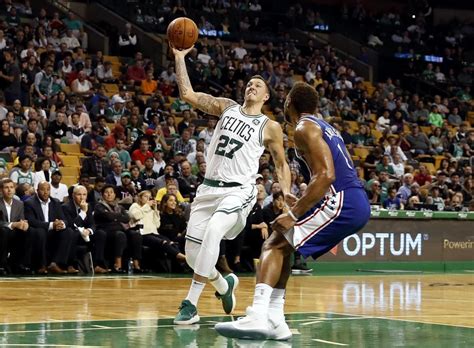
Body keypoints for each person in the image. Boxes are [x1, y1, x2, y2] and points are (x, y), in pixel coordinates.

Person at [215, 82, 370, 340]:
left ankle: (257, 316)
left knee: (273, 244)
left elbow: (327, 175)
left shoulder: (304, 127)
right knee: (284, 244)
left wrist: (294, 213)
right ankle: (276, 319)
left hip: (342, 201)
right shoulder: (327, 127)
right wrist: (301, 199)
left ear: (289, 104)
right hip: (352, 200)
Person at [170, 45, 290, 325]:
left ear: (266, 95)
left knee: (214, 231)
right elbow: (188, 95)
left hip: (238, 191)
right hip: (207, 190)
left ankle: (190, 305)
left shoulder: (269, 126)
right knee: (192, 257)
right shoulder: (227, 107)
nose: (252, 86)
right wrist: (178, 57)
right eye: (249, 83)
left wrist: (287, 195)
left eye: (258, 85)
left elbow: (281, 164)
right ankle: (224, 286)